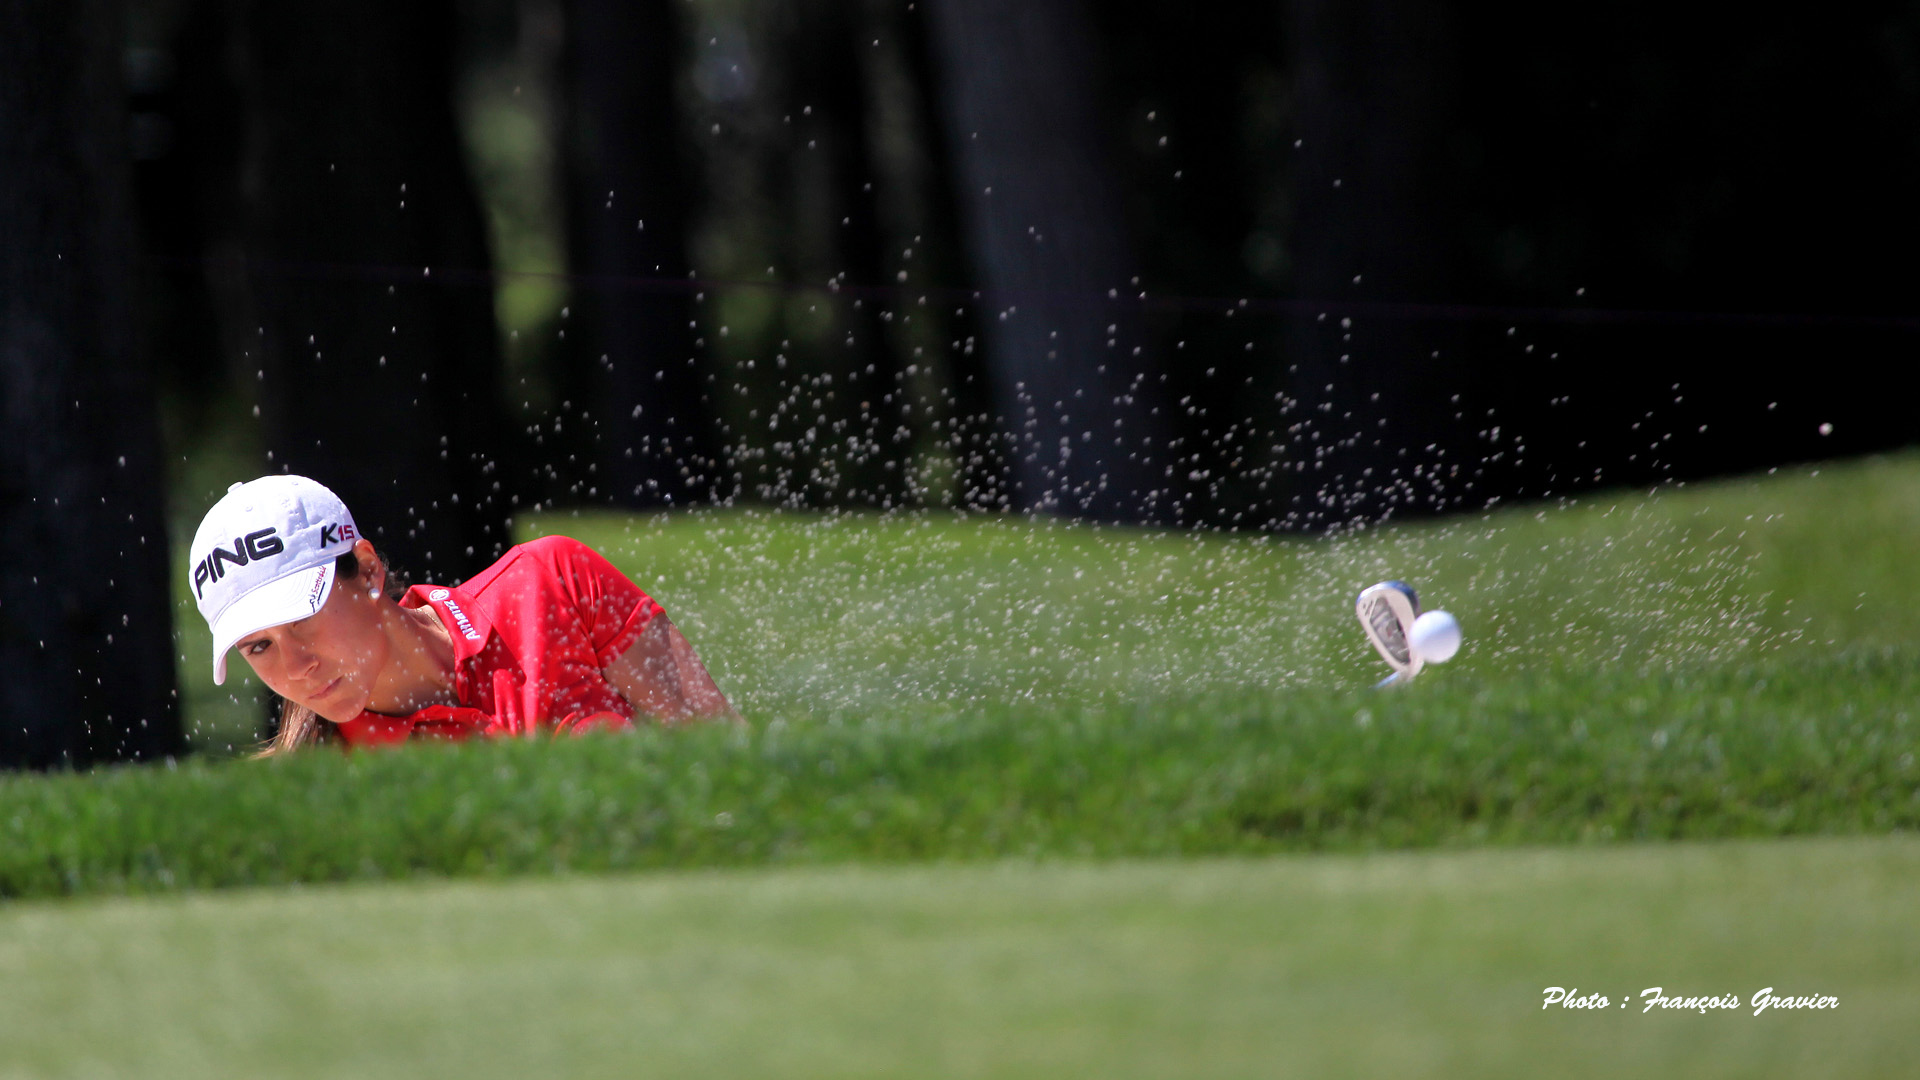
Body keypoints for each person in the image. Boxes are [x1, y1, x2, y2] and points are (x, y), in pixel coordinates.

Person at [190, 474, 734, 754]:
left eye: (302, 619)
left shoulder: (551, 580)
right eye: (258, 647)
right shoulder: (332, 778)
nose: (296, 666)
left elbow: (727, 752)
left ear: (369, 570)